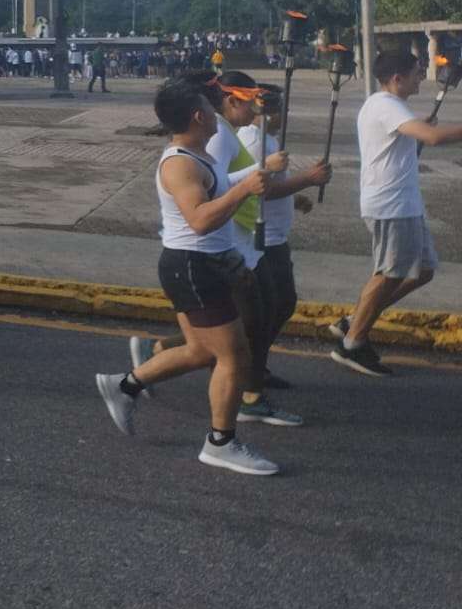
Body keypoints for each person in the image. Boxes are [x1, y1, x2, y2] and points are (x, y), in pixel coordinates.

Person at [93, 78, 277, 476]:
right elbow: (199, 220)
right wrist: (245, 188)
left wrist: (248, 182)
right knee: (234, 354)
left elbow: (214, 192)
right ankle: (220, 442)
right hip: (192, 266)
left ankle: (124, 386)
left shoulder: (199, 156)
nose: (216, 113)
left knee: (200, 351)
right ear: (198, 116)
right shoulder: (179, 163)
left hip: (200, 265)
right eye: (209, 109)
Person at [330, 49, 462, 376]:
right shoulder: (384, 105)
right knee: (389, 272)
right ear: (397, 78)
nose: (422, 76)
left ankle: (357, 317)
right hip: (391, 204)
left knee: (425, 269)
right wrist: (427, 128)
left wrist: (418, 126)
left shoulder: (394, 106)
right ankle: (351, 344)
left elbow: (415, 137)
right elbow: (431, 138)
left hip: (405, 203)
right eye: (418, 72)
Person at [236, 84, 331, 390]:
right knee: (271, 308)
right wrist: (308, 179)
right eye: (279, 109)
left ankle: (255, 366)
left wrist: (295, 198)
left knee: (278, 306)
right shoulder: (253, 141)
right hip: (259, 237)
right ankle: (248, 372)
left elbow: (276, 188)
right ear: (263, 109)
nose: (283, 114)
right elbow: (262, 187)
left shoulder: (268, 139)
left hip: (274, 234)